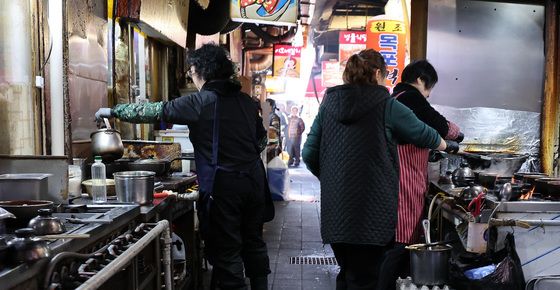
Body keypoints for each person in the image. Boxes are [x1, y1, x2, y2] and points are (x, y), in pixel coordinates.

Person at [95, 44, 272, 290]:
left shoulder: (201, 102)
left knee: (227, 251)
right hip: (253, 184)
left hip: (225, 189)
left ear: (201, 72)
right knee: (253, 243)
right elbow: (261, 141)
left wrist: (113, 110)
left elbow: (154, 111)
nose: (191, 77)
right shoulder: (246, 102)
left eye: (192, 72)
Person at [302, 49, 459, 290]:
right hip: (373, 213)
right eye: (386, 76)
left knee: (349, 274)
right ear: (377, 74)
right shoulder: (386, 105)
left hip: (336, 212)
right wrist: (447, 144)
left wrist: (335, 180)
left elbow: (308, 154)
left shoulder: (329, 104)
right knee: (369, 279)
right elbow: (424, 133)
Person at [377, 60, 464, 289]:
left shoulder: (393, 98)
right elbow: (440, 126)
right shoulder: (410, 98)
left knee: (398, 241)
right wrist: (459, 135)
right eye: (429, 88)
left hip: (395, 178)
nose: (428, 95)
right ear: (420, 80)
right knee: (401, 241)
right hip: (404, 179)